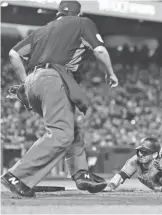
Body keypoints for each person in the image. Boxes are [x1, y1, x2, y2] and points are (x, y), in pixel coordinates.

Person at [1, 0, 118, 198]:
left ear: (58, 14)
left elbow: (13, 54)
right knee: (60, 133)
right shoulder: (82, 23)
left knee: (71, 128)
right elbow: (99, 50)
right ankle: (17, 176)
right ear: (78, 13)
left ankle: (81, 173)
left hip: (32, 83)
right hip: (54, 78)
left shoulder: (42, 30)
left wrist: (27, 81)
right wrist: (110, 73)